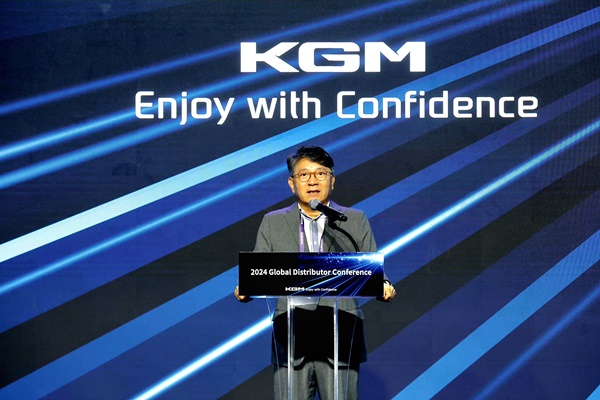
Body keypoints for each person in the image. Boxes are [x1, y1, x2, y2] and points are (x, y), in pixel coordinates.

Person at [234, 145, 395, 400]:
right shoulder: (273, 221)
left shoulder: (353, 220)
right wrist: (246, 288)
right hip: (291, 340)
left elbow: (371, 268)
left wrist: (383, 285)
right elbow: (258, 271)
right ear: (292, 183)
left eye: (320, 173)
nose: (312, 181)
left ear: (332, 180)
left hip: (340, 337)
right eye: (304, 174)